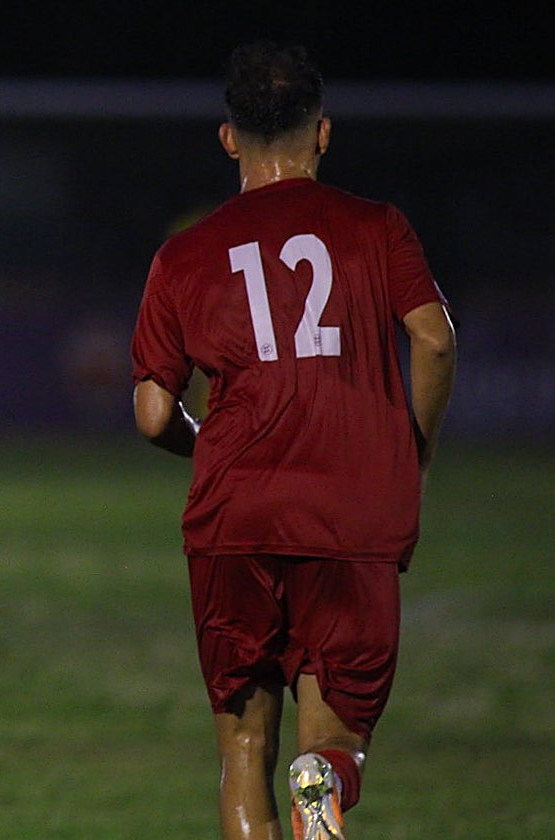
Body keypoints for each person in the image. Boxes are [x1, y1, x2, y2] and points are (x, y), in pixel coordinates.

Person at [130, 41, 456, 840]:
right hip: (350, 510)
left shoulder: (185, 253)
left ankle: (307, 784)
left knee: (243, 749)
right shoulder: (377, 228)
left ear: (229, 139)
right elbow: (435, 339)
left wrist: (201, 441)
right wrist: (410, 445)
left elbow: (148, 410)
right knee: (332, 743)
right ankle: (328, 776)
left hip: (236, 514)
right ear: (324, 134)